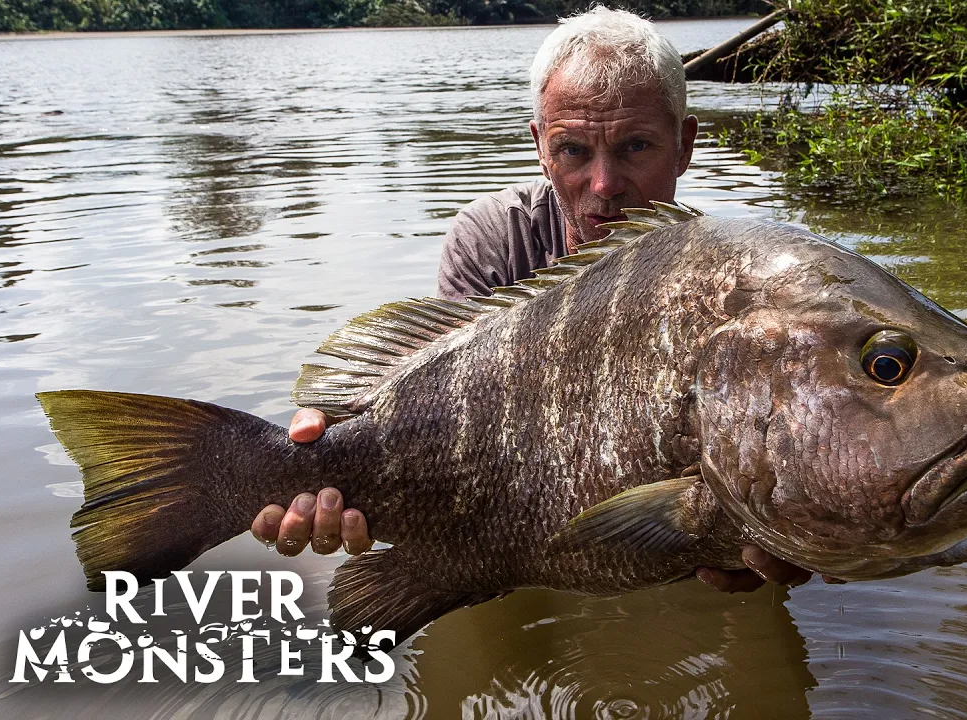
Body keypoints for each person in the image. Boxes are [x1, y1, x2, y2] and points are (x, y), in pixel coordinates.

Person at [249, 6, 817, 593]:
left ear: (684, 146)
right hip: (510, 530)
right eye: (573, 151)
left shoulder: (736, 289)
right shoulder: (494, 239)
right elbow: (438, 412)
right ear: (540, 146)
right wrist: (324, 444)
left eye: (635, 146)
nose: (604, 184)